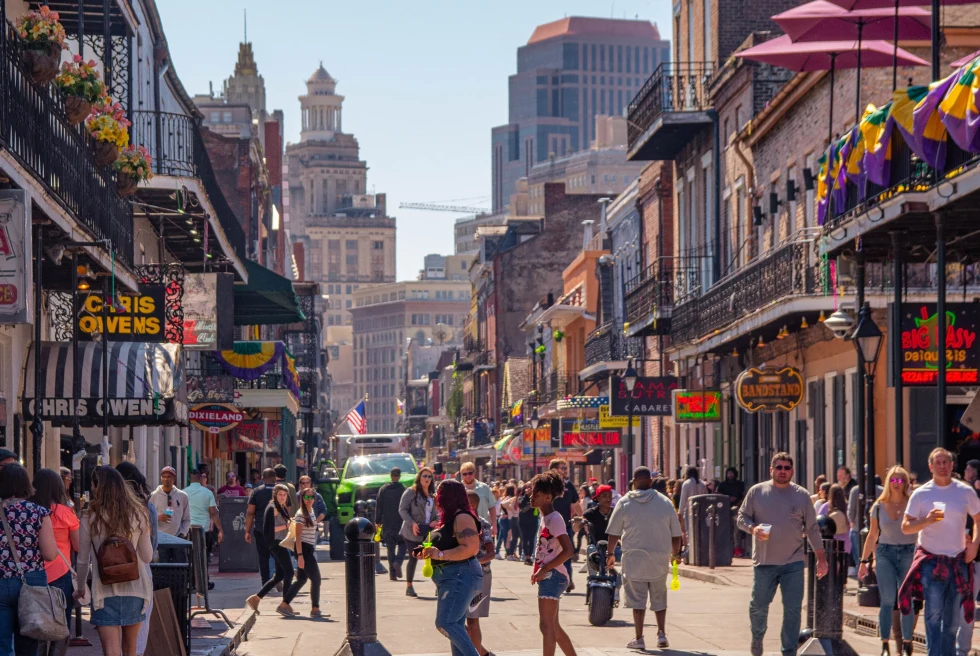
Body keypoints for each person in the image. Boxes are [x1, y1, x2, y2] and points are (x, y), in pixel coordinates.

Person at [738, 452, 828, 656]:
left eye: (787, 468)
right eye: (778, 467)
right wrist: (753, 529)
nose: (782, 471)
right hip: (764, 562)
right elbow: (741, 518)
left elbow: (813, 528)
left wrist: (821, 559)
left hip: (793, 563)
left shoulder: (802, 495)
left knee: (792, 610)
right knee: (758, 606)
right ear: (771, 470)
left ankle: (788, 651)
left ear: (792, 471)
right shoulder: (757, 492)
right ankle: (757, 637)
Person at [900, 448, 980, 656]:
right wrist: (926, 520)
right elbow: (906, 526)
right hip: (931, 561)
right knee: (934, 617)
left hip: (958, 560)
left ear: (952, 465)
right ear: (930, 466)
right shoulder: (921, 494)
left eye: (946, 462)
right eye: (938, 462)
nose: (942, 466)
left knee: (953, 620)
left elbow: (979, 519)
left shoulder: (965, 491)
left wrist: (974, 545)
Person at [75, 466, 153, 656]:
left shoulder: (89, 517)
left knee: (110, 651)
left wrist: (80, 586)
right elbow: (147, 556)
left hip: (103, 591)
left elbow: (83, 559)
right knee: (130, 649)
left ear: (96, 487)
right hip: (135, 588)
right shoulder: (139, 514)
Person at [606, 467, 681, 650]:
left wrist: (609, 554)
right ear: (650, 481)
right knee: (659, 597)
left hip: (634, 558)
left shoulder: (624, 503)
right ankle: (661, 634)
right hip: (659, 558)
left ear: (634, 482)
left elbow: (613, 533)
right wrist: (675, 555)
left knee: (637, 601)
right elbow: (676, 534)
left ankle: (639, 638)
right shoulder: (665, 502)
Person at [415, 479, 483, 656]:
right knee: (455, 625)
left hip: (460, 575)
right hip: (451, 577)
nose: (436, 495)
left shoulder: (462, 517)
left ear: (449, 496)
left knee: (446, 623)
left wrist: (441, 555)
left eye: (439, 491)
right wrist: (423, 550)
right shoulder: (448, 519)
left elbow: (471, 548)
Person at [857, 465, 917, 656]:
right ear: (888, 482)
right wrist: (864, 560)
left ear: (905, 483)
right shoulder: (878, 506)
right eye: (893, 479)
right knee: (888, 600)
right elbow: (872, 535)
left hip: (909, 551)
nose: (896, 483)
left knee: (907, 599)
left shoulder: (912, 503)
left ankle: (907, 644)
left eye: (900, 480)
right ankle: (884, 644)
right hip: (884, 553)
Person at [529, 471, 576, 656]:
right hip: (549, 575)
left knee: (546, 626)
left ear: (548, 497)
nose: (532, 497)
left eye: (537, 495)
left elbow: (569, 550)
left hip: (553, 575)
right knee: (553, 626)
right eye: (532, 493)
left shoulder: (554, 519)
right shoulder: (545, 518)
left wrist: (545, 569)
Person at [32, 468, 78, 656]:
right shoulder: (65, 512)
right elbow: (78, 545)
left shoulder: (30, 510)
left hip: (33, 574)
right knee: (61, 625)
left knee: (35, 624)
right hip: (60, 573)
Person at [115, 462, 157, 656]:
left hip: (109, 570)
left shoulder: (103, 508)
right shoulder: (146, 507)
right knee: (139, 625)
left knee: (112, 627)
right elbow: (151, 547)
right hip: (139, 568)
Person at [246, 484, 295, 616]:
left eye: (285, 495)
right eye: (280, 494)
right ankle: (285, 605)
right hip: (277, 543)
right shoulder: (273, 508)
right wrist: (287, 525)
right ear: (275, 494)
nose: (283, 497)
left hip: (280, 543)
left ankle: (256, 598)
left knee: (279, 575)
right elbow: (271, 529)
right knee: (289, 572)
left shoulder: (280, 507)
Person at [281, 488, 328, 618]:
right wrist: (300, 556)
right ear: (302, 498)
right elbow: (299, 536)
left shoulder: (311, 511)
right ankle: (315, 608)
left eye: (312, 497)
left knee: (301, 579)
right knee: (316, 579)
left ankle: (284, 605)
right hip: (304, 549)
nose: (310, 500)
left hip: (308, 549)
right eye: (307, 497)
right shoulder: (301, 514)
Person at [465, 489, 495, 656]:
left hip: (480, 575)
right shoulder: (461, 522)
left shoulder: (482, 523)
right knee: (454, 621)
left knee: (472, 620)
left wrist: (474, 561)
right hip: (463, 576)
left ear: (472, 505)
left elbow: (491, 552)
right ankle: (482, 653)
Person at [399, 467, 438, 597]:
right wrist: (412, 523)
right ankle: (409, 586)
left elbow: (440, 511)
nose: (427, 479)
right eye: (424, 476)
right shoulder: (411, 492)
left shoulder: (434, 494)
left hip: (429, 531)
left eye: (429, 477)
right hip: (412, 531)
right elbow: (402, 510)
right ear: (419, 477)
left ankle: (439, 586)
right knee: (414, 557)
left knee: (435, 557)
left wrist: (436, 521)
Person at [549, 459, 581, 593]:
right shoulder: (547, 484)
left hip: (565, 525)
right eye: (562, 468)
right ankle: (550, 580)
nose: (565, 471)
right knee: (549, 553)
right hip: (549, 526)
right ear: (554, 469)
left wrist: (584, 518)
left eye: (565, 468)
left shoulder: (568, 485)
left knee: (567, 553)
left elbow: (575, 503)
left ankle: (567, 580)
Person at [244, 469, 277, 587]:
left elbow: (250, 512)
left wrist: (247, 531)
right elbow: (287, 511)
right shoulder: (282, 491)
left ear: (262, 478)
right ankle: (278, 578)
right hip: (278, 530)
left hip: (260, 529)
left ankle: (266, 582)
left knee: (263, 557)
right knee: (279, 556)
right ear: (275, 478)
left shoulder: (256, 492)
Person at [184, 469, 223, 564]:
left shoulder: (184, 493)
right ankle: (204, 576)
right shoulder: (208, 493)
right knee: (204, 554)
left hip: (188, 529)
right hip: (204, 529)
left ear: (190, 479)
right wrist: (220, 530)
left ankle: (192, 577)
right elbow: (213, 513)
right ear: (200, 478)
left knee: (190, 555)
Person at [376, 467, 407, 580]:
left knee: (390, 548)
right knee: (403, 544)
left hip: (387, 523)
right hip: (401, 523)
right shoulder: (403, 489)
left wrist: (377, 521)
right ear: (399, 476)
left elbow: (379, 506)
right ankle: (398, 562)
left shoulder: (383, 489)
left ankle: (392, 574)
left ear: (390, 475)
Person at [149, 466, 190, 538]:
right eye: (163, 476)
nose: (166, 479)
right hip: (160, 538)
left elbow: (186, 518)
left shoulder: (182, 496)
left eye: (169, 477)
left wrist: (183, 533)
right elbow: (147, 517)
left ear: (174, 479)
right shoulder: (153, 496)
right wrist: (157, 517)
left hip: (177, 538)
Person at [460, 462, 496, 538]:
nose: (468, 476)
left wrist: (494, 525)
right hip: (464, 530)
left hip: (483, 528)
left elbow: (492, 507)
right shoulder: (458, 489)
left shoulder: (484, 487)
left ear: (474, 473)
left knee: (487, 549)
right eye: (464, 474)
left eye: (470, 473)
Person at [678, 466, 708, 544]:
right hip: (702, 510)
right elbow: (706, 497)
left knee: (689, 531)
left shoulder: (686, 483)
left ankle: (690, 548)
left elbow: (683, 499)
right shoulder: (702, 484)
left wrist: (680, 512)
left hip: (689, 510)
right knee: (700, 530)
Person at [496, 484, 519, 560]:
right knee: (507, 537)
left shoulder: (505, 497)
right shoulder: (510, 498)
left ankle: (497, 552)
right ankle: (508, 554)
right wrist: (508, 511)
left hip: (503, 519)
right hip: (506, 519)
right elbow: (502, 504)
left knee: (501, 537)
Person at [518, 483, 538, 565]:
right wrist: (526, 495)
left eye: (531, 487)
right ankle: (527, 557)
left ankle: (530, 556)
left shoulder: (535, 497)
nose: (529, 489)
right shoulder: (521, 496)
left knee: (532, 539)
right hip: (523, 521)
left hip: (533, 520)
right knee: (525, 539)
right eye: (528, 487)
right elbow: (521, 504)